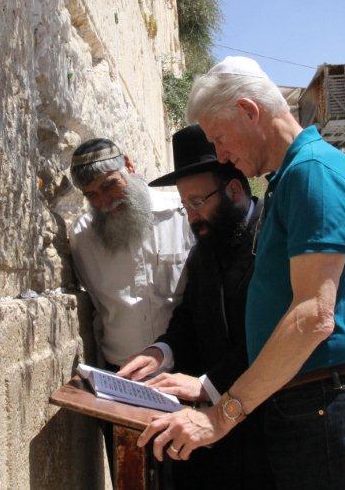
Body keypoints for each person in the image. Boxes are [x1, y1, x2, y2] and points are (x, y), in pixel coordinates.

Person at [137, 56, 345, 489]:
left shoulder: (313, 174)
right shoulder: (291, 176)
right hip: (308, 404)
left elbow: (313, 315)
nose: (220, 155)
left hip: (327, 405)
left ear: (249, 111)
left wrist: (220, 417)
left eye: (218, 138)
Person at [117, 124, 274, 488]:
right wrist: (161, 351)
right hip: (210, 438)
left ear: (234, 190)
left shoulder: (271, 238)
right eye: (184, 204)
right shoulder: (205, 247)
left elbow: (272, 333)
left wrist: (207, 384)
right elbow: (189, 318)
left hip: (265, 426)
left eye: (197, 202)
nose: (190, 216)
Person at [68, 138, 193, 369]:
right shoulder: (82, 237)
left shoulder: (181, 214)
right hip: (120, 373)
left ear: (128, 165)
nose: (104, 201)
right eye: (91, 195)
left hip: (186, 369)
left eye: (109, 185)